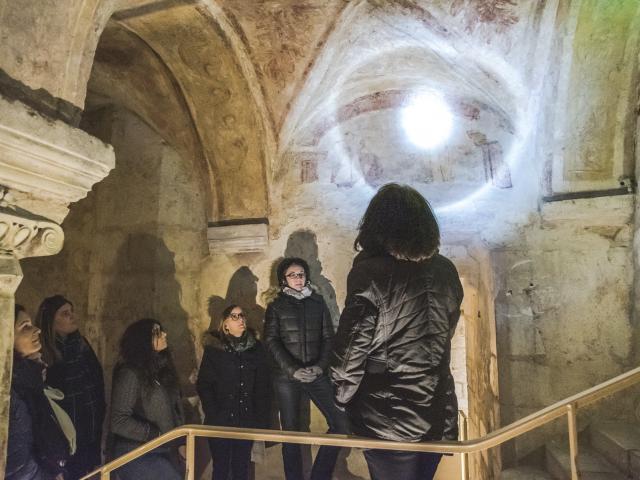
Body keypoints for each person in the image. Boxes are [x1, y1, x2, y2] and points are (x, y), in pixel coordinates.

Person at [330, 183, 464, 480]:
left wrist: (339, 400)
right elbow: (445, 334)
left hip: (387, 415)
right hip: (435, 407)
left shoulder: (370, 274)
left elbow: (351, 350)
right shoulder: (445, 270)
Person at [264, 257, 351, 480]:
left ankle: (319, 475)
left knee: (340, 423)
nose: (298, 279)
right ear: (283, 279)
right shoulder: (276, 305)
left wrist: (320, 368)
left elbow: (328, 337)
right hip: (287, 377)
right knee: (291, 433)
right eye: (292, 275)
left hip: (316, 373)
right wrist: (292, 370)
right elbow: (272, 340)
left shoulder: (318, 302)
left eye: (301, 274)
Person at [197, 304, 271, 480]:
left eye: (242, 315)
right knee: (221, 468)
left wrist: (259, 419)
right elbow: (204, 384)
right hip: (220, 420)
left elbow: (263, 386)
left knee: (241, 467)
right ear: (225, 324)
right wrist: (214, 413)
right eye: (234, 316)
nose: (241, 319)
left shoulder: (256, 349)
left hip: (245, 420)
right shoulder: (215, 349)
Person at [35, 295, 105, 480]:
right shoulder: (44, 355)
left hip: (88, 431)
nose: (72, 316)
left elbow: (97, 385)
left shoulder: (81, 347)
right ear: (51, 320)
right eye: (65, 314)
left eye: (72, 312)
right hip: (64, 437)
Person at [109, 318, 185, 480]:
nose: (164, 334)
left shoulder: (162, 371)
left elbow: (174, 409)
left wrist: (179, 443)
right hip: (137, 453)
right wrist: (155, 434)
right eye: (157, 332)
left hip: (162, 451)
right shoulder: (130, 373)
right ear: (143, 340)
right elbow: (118, 421)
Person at [7, 304, 70, 480]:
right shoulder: (11, 386)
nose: (37, 330)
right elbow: (15, 460)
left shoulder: (29, 377)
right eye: (25, 327)